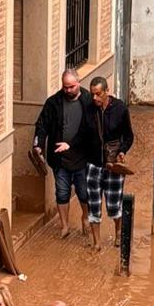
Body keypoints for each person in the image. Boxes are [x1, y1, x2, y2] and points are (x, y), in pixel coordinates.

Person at [34, 69, 94, 238]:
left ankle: (85, 217)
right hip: (60, 159)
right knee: (61, 192)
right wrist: (38, 145)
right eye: (65, 87)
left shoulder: (88, 100)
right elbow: (42, 125)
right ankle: (65, 226)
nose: (68, 90)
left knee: (84, 192)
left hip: (82, 157)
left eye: (71, 87)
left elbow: (92, 128)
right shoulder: (53, 102)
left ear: (79, 83)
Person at [86, 77, 135, 251]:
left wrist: (122, 151)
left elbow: (129, 136)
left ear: (106, 91)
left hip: (113, 165)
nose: (95, 98)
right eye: (92, 94)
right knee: (93, 205)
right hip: (93, 165)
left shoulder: (120, 109)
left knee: (114, 205)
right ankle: (97, 243)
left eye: (98, 94)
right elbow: (82, 134)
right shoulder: (89, 110)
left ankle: (119, 233)